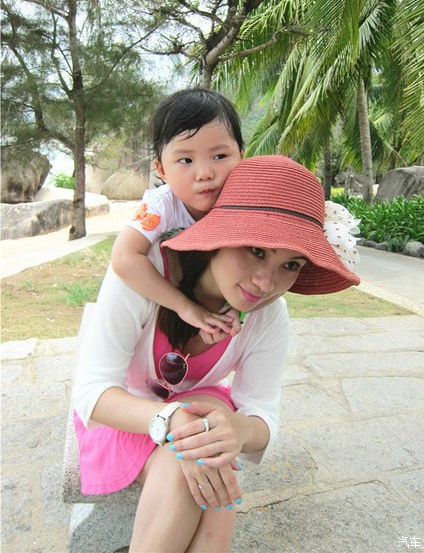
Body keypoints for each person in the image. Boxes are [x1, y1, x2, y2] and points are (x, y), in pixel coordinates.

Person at [73, 155, 360, 553]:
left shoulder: (269, 316)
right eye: (256, 250)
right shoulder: (144, 276)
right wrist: (173, 420)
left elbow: (262, 413)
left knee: (207, 450)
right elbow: (92, 392)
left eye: (291, 264)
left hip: (197, 412)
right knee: (200, 458)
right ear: (219, 235)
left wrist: (238, 430)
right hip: (124, 414)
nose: (266, 283)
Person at [111, 88, 244, 343]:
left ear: (241, 157)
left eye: (219, 156)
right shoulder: (162, 205)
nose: (204, 173)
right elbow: (123, 258)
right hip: (158, 318)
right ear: (161, 170)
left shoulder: (247, 204)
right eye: (185, 160)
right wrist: (184, 307)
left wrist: (239, 305)